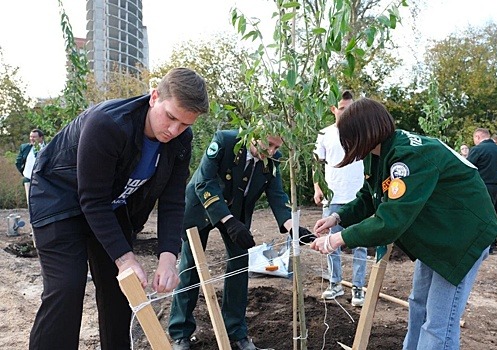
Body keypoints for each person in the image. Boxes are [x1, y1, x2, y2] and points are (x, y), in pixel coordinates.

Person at [27, 67, 209, 350]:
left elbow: (173, 200)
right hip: (60, 200)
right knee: (67, 288)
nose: (174, 130)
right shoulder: (108, 124)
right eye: (171, 117)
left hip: (109, 207)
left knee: (123, 289)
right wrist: (125, 258)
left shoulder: (180, 141)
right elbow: (91, 199)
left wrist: (168, 256)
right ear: (154, 97)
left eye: (184, 125)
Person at [310, 98, 497, 350]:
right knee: (418, 306)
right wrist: (337, 218)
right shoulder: (377, 154)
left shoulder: (409, 157)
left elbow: (390, 221)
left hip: (461, 238)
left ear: (364, 133)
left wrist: (336, 240)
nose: (345, 144)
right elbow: (369, 196)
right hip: (437, 236)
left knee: (438, 323)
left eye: (347, 137)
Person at [168, 130, 313, 350]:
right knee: (190, 267)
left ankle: (236, 331)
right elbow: (204, 181)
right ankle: (181, 333)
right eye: (270, 144)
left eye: (277, 147)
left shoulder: (272, 158)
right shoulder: (225, 142)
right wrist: (228, 221)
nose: (273, 151)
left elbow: (277, 194)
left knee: (239, 265)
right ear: (255, 133)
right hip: (201, 209)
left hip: (236, 214)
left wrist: (293, 227)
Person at [313, 90, 367, 305]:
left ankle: (358, 288)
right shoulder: (324, 134)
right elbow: (317, 164)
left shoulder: (361, 133)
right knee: (330, 243)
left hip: (358, 196)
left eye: (350, 108)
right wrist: (318, 188)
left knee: (360, 244)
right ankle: (335, 284)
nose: (346, 113)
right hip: (333, 195)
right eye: (342, 109)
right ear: (333, 109)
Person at [467, 128, 497, 253]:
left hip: (480, 186)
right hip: (495, 185)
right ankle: (492, 243)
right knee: (491, 214)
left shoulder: (478, 149)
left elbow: (467, 167)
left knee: (476, 214)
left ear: (478, 137)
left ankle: (476, 243)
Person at [15, 129, 45, 203]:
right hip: (28, 179)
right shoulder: (25, 147)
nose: (32, 139)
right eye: (31, 137)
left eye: (34, 137)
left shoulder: (47, 147)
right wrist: (24, 173)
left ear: (41, 138)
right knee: (30, 202)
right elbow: (18, 162)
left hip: (43, 179)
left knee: (42, 200)